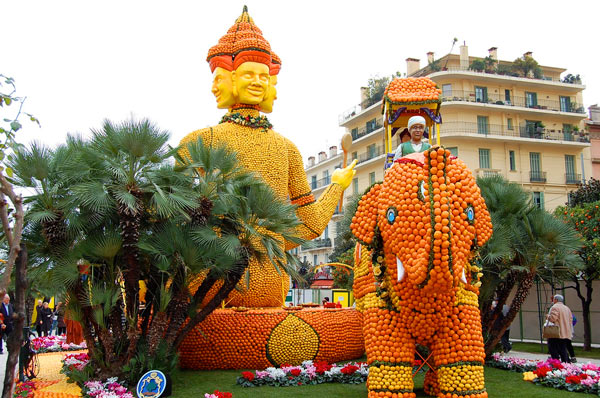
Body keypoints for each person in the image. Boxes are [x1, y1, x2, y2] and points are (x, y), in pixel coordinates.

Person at [546, 294, 573, 363]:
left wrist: (548, 316)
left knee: (552, 346)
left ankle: (556, 362)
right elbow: (570, 319)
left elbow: (553, 318)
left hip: (556, 331)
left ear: (556, 300)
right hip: (565, 331)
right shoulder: (567, 308)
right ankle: (566, 362)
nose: (553, 300)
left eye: (554, 299)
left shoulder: (555, 307)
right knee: (562, 347)